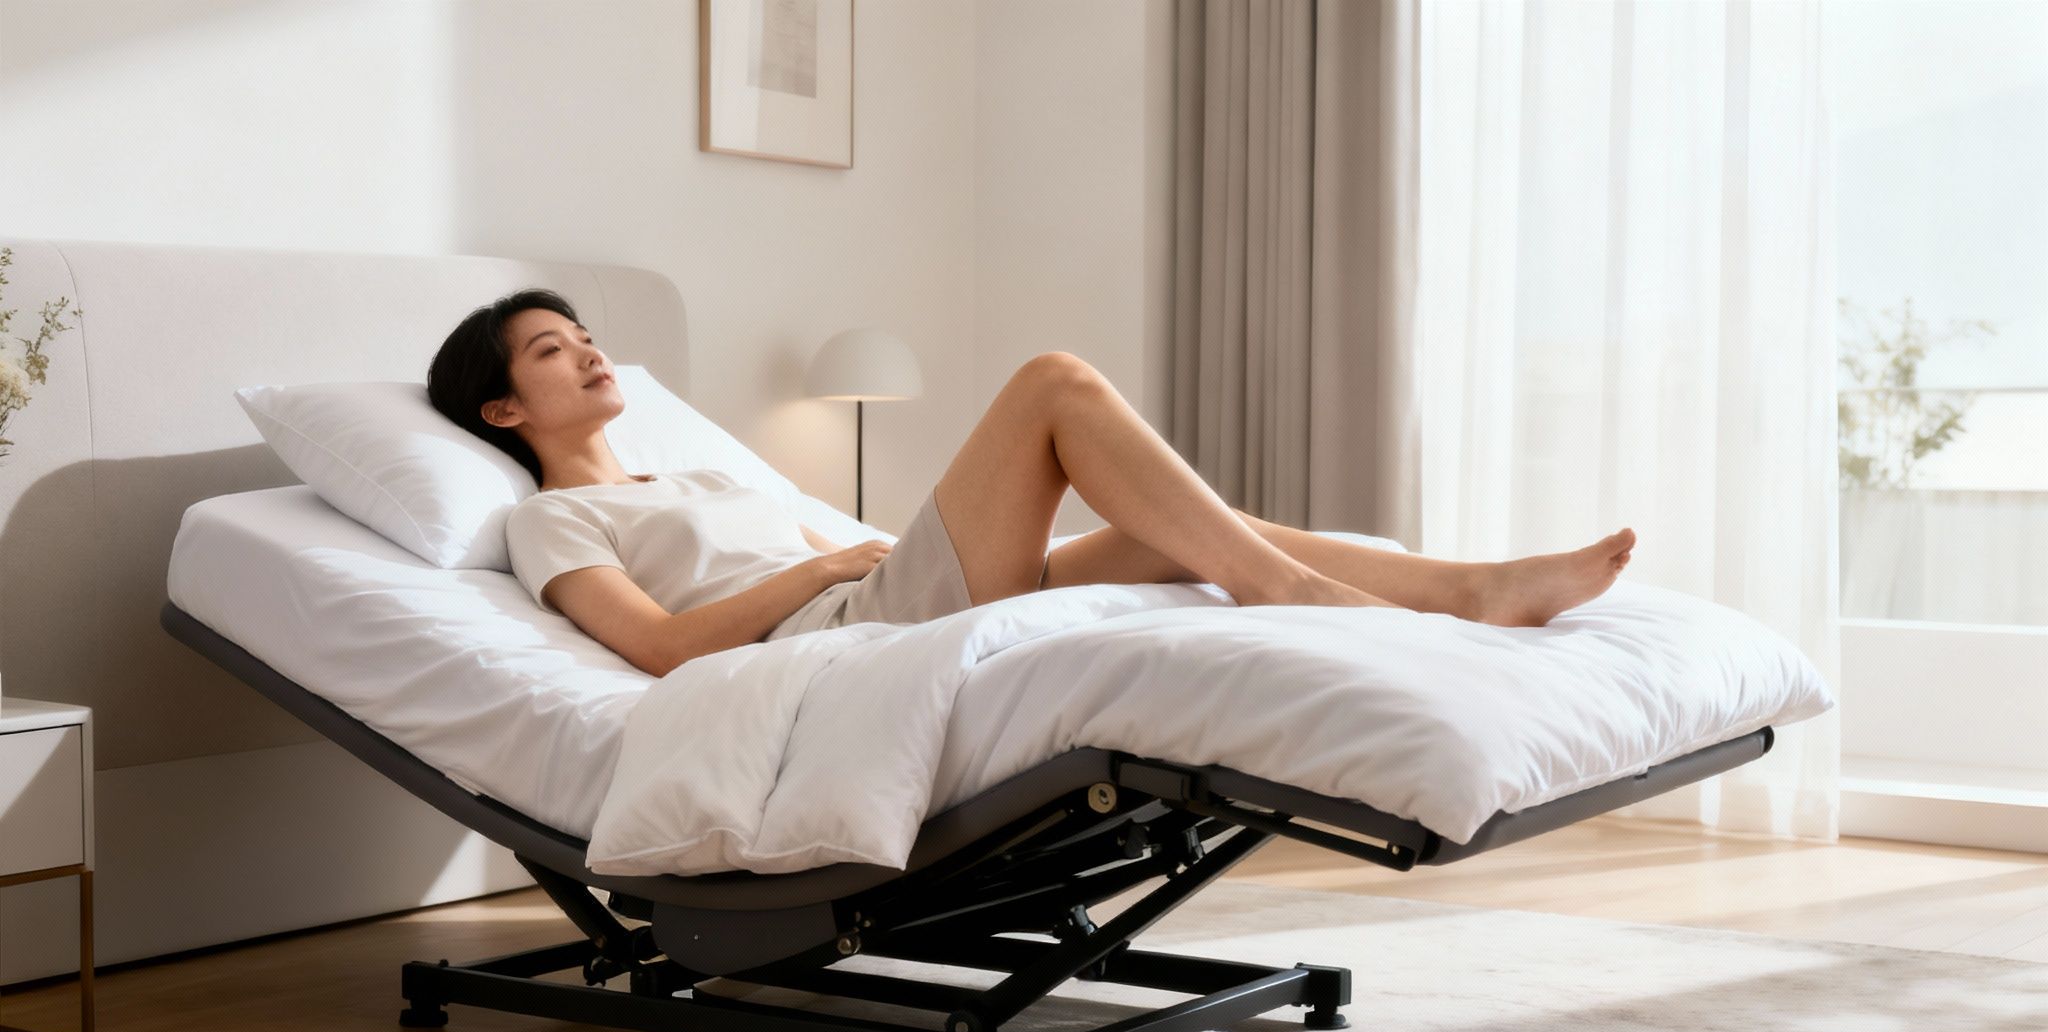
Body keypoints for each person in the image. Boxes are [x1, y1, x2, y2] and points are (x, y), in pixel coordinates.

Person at [428, 289, 1635, 678]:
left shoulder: (698, 467)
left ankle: (1472, 587)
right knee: (1053, 384)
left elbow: (860, 550)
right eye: (549, 350)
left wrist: (852, 552)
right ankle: (1301, 595)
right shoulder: (549, 517)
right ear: (502, 409)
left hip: (876, 590)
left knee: (1185, 534)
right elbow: (656, 651)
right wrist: (825, 563)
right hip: (836, 632)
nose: (587, 351)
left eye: (581, 335)